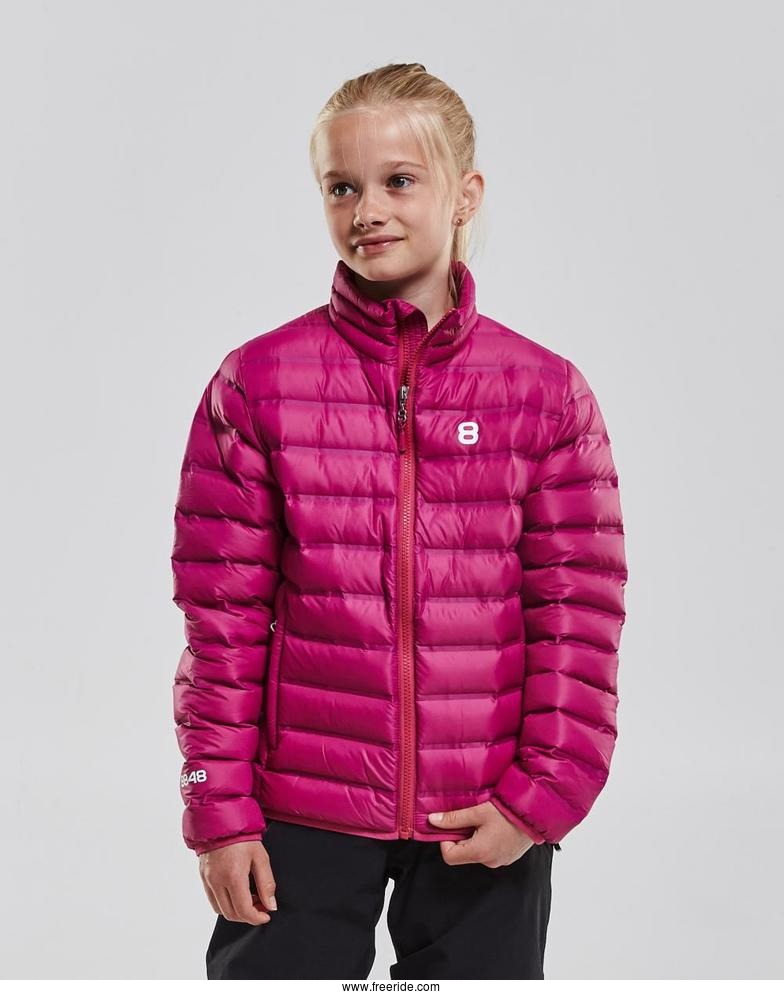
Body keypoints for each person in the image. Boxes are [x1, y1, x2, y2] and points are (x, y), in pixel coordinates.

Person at [170, 62, 628, 981]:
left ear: (465, 195)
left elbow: (578, 618)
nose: (367, 210)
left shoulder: (543, 394)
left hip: (484, 811)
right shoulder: (257, 384)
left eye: (399, 181)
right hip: (299, 810)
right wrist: (219, 811)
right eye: (341, 187)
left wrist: (542, 797)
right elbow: (220, 624)